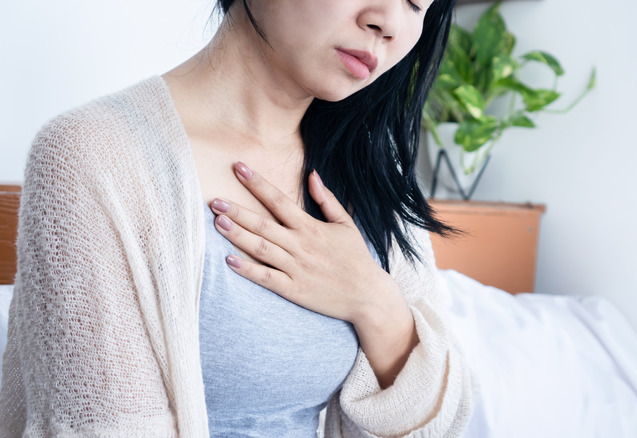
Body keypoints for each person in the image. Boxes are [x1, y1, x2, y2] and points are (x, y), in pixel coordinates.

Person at [0, 0, 476, 436]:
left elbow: (447, 423)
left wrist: (375, 303)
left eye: (417, 3)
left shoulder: (371, 167)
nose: (388, 22)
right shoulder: (93, 155)